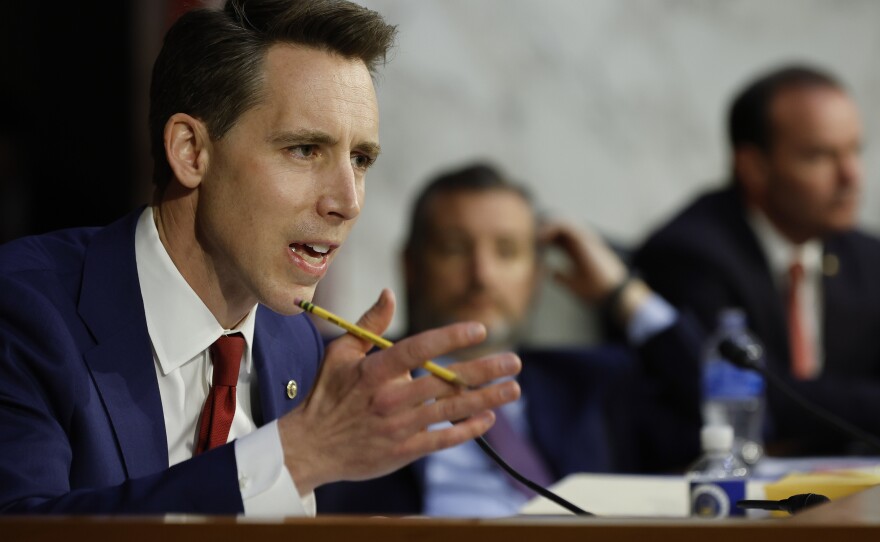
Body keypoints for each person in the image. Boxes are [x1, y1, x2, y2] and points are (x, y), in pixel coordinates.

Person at [0, 0, 523, 515]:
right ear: (191, 151)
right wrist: (295, 455)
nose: (347, 202)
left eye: (360, 159)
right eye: (304, 150)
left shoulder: (293, 340)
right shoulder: (24, 312)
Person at [316, 163, 703, 517]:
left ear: (536, 275)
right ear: (410, 266)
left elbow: (725, 408)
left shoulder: (590, 382)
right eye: (454, 249)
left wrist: (620, 293)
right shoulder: (347, 371)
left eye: (506, 251)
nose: (482, 275)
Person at [633, 64, 880, 456]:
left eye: (855, 151)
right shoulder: (690, 253)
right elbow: (759, 396)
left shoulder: (867, 257)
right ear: (754, 167)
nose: (851, 175)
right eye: (820, 156)